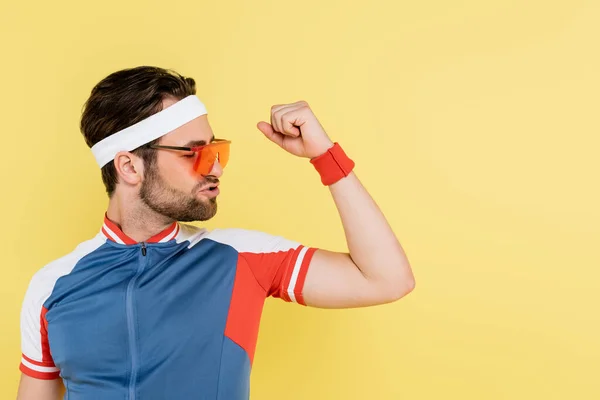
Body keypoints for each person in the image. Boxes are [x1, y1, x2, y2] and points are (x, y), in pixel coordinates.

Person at [15, 66, 415, 400]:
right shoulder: (51, 286)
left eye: (217, 150)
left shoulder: (241, 257)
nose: (216, 168)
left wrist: (325, 155)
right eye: (194, 152)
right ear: (130, 167)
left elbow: (386, 279)